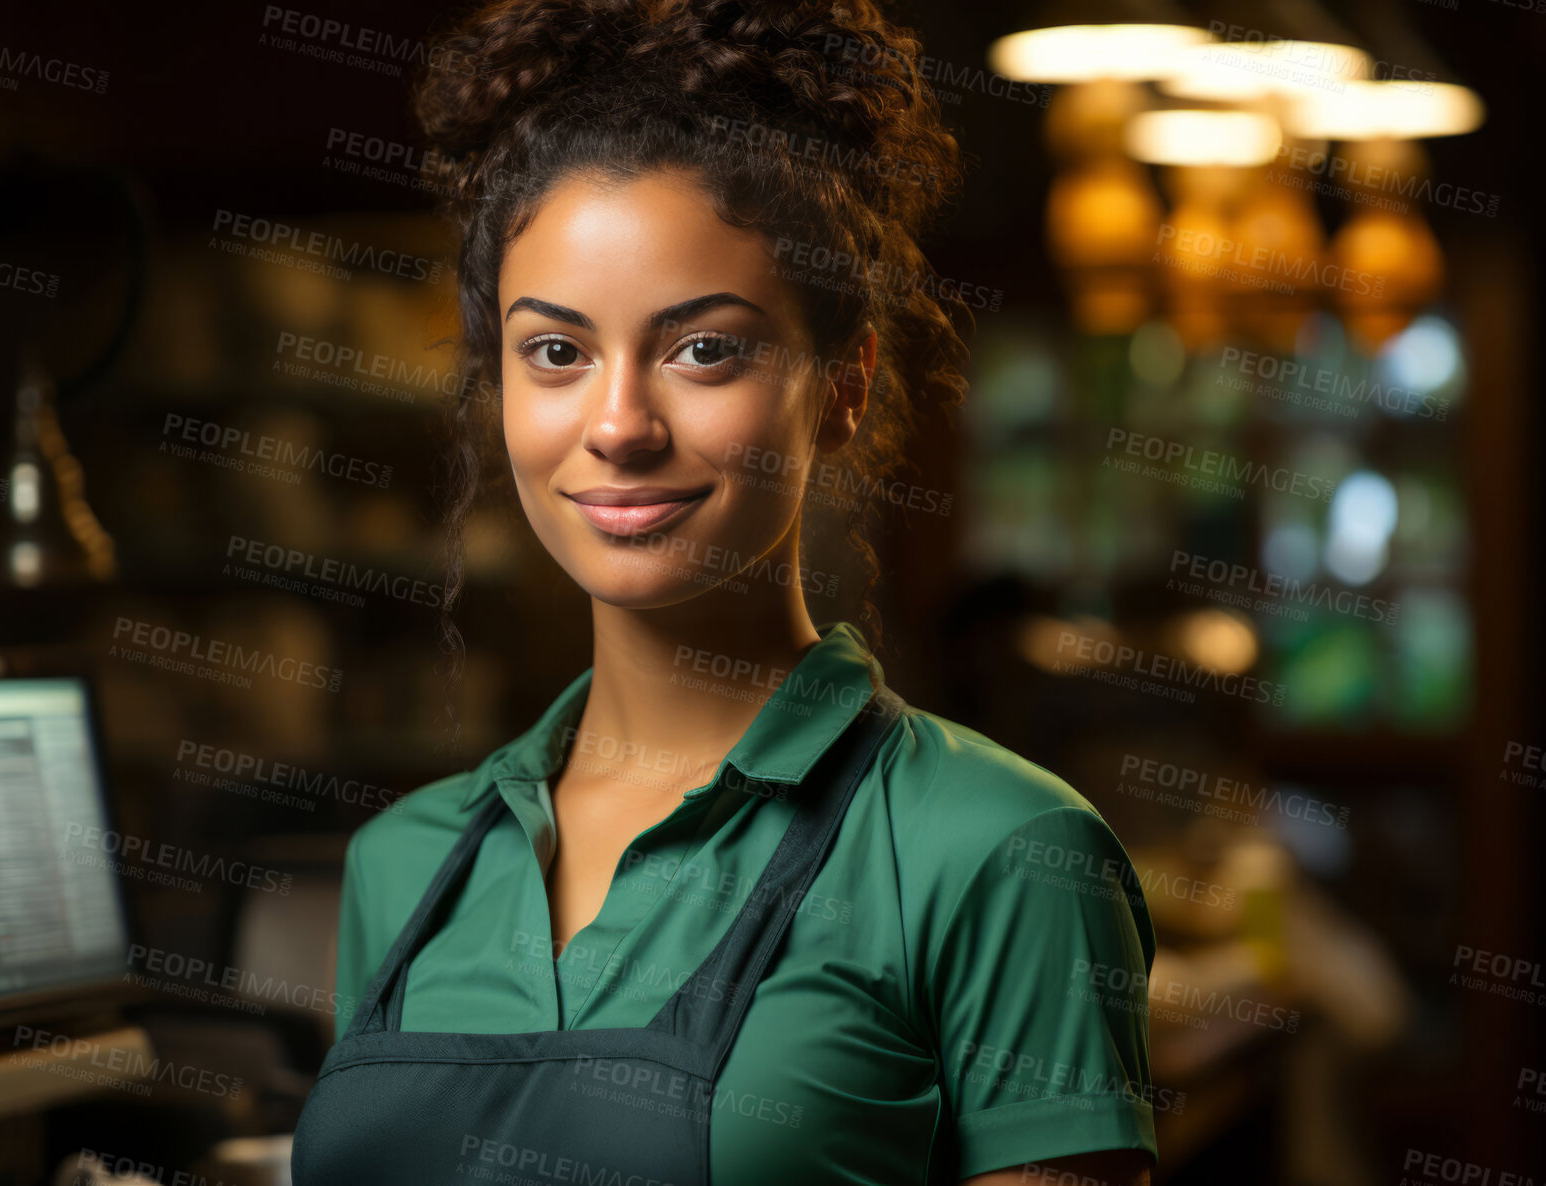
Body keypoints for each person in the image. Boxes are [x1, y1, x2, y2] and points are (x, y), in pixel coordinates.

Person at [292, 2, 1158, 1183]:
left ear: (841, 385)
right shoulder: (406, 860)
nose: (617, 426)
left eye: (703, 348)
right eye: (555, 352)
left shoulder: (1001, 853)